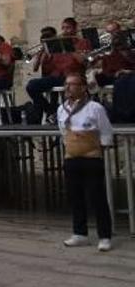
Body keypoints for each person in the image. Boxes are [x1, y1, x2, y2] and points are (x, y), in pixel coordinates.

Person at [57, 73, 113, 252]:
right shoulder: (61, 109)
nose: (68, 88)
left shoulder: (94, 108)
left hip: (91, 157)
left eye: (72, 84)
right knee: (75, 196)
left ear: (83, 88)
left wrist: (100, 149)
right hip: (71, 156)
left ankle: (105, 236)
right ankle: (79, 233)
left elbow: (105, 130)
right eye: (66, 84)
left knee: (97, 197)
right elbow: (63, 131)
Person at [27, 19, 90, 123]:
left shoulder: (83, 42)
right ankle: (51, 111)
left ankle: (68, 116)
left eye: (68, 28)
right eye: (63, 28)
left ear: (75, 28)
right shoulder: (57, 44)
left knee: (71, 87)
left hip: (74, 76)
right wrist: (43, 53)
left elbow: (84, 62)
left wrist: (70, 49)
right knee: (31, 85)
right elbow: (40, 67)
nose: (65, 30)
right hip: (57, 76)